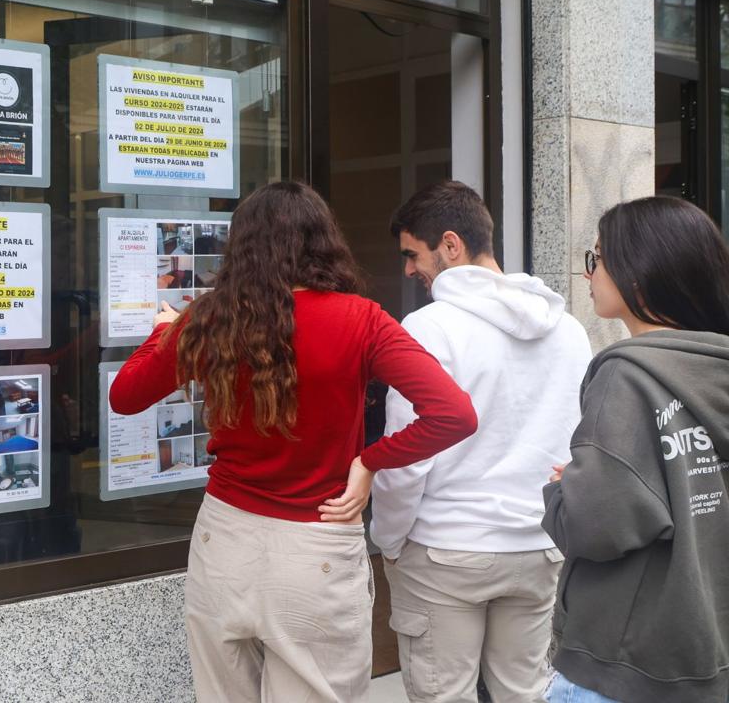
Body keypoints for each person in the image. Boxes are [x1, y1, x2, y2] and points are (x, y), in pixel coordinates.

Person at [109, 181, 478, 702]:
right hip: (317, 547)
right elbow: (454, 414)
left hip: (224, 541)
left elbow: (124, 396)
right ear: (323, 242)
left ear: (242, 247)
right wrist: (371, 462)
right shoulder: (362, 320)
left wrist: (166, 330)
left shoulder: (211, 318)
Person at [368, 181, 591, 702]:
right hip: (538, 545)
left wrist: (389, 540)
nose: (407, 270)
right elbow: (584, 439)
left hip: (447, 549)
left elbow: (406, 458)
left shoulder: (428, 328)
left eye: (411, 255)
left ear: (451, 245)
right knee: (524, 693)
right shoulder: (568, 329)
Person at [542, 196, 729, 703]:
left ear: (639, 272)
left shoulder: (627, 375)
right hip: (705, 657)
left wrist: (561, 493)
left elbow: (593, 525)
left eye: (597, 258)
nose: (589, 274)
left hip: (622, 665)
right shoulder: (717, 368)